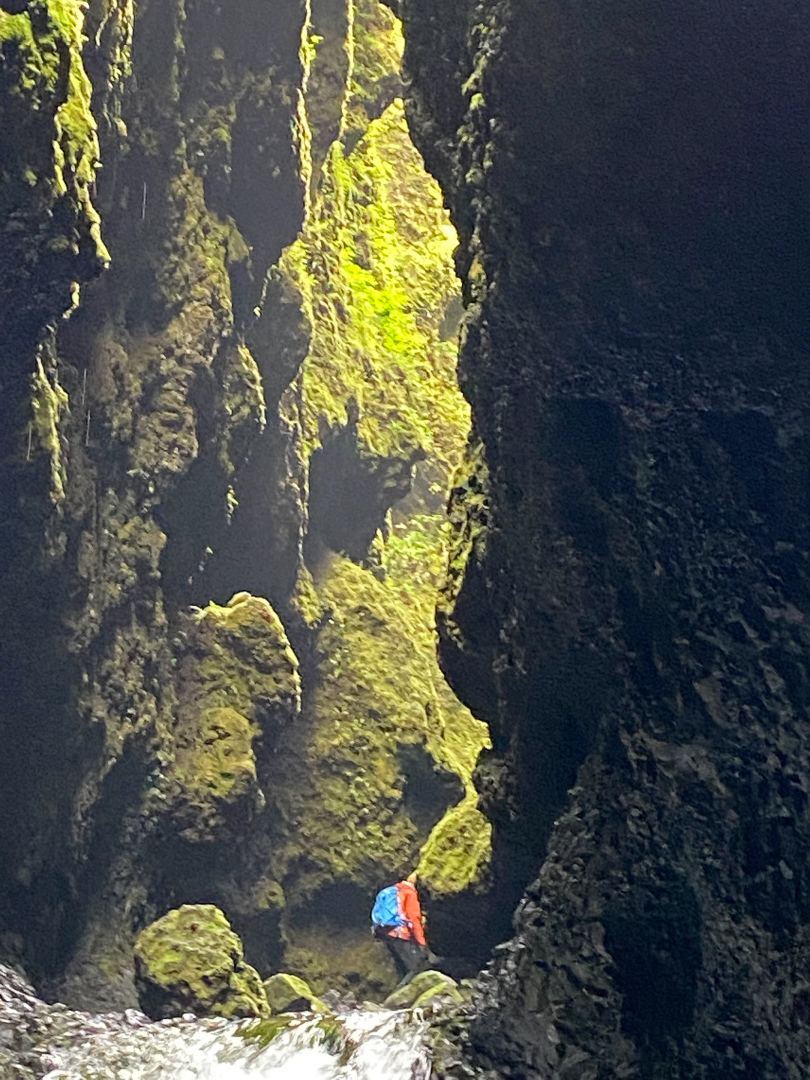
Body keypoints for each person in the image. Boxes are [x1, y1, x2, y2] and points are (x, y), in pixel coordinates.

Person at [371, 872, 430, 986]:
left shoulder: (392, 890)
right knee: (419, 965)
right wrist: (421, 941)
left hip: (388, 933)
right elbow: (413, 918)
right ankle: (402, 995)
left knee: (408, 966)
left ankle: (401, 993)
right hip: (401, 934)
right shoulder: (409, 892)